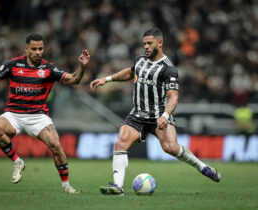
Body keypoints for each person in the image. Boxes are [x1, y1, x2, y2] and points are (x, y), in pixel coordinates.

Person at [90, 28, 221, 196]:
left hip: (159, 116)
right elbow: (130, 72)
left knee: (171, 148)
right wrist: (106, 79)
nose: (146, 47)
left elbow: (173, 97)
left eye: (149, 43)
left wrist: (165, 116)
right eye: (144, 43)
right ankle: (118, 187)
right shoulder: (140, 60)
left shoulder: (169, 69)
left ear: (160, 43)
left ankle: (203, 167)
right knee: (121, 141)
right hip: (137, 115)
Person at [0, 33, 90, 194]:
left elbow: (74, 80)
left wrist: (83, 67)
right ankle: (17, 162)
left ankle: (66, 185)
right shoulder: (13, 65)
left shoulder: (48, 69)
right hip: (13, 114)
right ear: (26, 49)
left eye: (41, 49)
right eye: (34, 49)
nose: (38, 52)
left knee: (55, 145)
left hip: (37, 115)